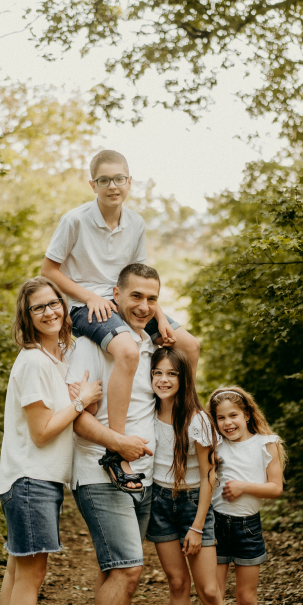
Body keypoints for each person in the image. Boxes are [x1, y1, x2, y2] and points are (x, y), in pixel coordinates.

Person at [41, 149, 200, 491]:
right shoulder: (74, 220)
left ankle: (176, 424)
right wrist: (89, 297)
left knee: (189, 345)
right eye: (104, 180)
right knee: (127, 350)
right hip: (87, 306)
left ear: (129, 182)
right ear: (93, 185)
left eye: (119, 179)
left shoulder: (136, 223)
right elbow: (49, 271)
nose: (112, 186)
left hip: (125, 298)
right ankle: (116, 447)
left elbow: (140, 277)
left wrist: (159, 315)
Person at [0, 276, 102, 605]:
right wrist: (80, 402)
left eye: (54, 303)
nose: (49, 312)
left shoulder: (53, 361)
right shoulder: (35, 362)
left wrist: (81, 398)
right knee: (31, 575)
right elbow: (42, 432)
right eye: (38, 307)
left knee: (16, 570)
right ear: (27, 316)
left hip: (32, 478)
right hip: (30, 480)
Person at [66, 262, 165, 605]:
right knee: (127, 568)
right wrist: (119, 444)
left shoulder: (148, 345)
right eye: (135, 296)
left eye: (152, 298)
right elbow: (77, 419)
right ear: (115, 295)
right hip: (99, 472)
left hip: (140, 477)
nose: (143, 306)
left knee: (118, 569)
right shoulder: (94, 344)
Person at [145, 349, 259, 605]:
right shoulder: (145, 412)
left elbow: (209, 475)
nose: (164, 380)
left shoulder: (197, 419)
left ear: (184, 379)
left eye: (172, 374)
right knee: (177, 583)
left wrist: (197, 526)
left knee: (209, 589)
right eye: (157, 373)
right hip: (159, 503)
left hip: (193, 503)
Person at [200, 386, 285, 605]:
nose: (228, 423)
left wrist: (243, 487)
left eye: (233, 415)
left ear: (247, 415)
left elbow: (276, 488)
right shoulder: (215, 446)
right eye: (221, 418)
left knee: (246, 597)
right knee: (214, 594)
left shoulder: (266, 443)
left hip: (249, 527)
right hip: (216, 525)